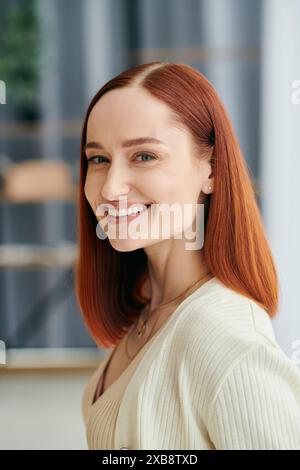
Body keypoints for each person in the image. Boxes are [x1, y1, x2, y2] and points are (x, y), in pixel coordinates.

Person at [75, 61, 300, 450]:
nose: (110, 187)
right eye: (99, 159)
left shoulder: (226, 340)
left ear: (211, 170)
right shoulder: (151, 316)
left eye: (144, 156)